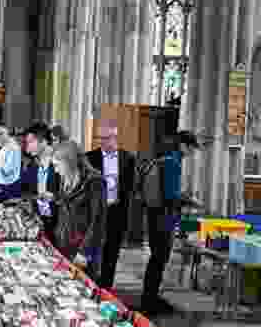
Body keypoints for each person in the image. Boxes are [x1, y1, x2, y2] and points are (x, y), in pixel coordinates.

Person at [138, 129, 201, 316]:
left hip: (155, 215)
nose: (192, 152)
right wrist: (189, 200)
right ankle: (149, 302)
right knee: (159, 258)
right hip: (163, 218)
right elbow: (170, 196)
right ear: (183, 145)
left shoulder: (165, 160)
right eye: (191, 148)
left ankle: (149, 298)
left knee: (156, 258)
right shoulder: (173, 163)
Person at [86, 122, 136, 289]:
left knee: (112, 251)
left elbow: (131, 188)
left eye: (106, 138)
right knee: (93, 248)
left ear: (115, 137)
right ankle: (90, 284)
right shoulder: (89, 158)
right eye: (100, 139)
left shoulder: (128, 158)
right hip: (95, 212)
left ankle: (106, 287)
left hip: (117, 212)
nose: (102, 142)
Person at [51, 139, 107, 280]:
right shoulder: (67, 178)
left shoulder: (95, 181)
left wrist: (84, 252)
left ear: (68, 162)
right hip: (64, 244)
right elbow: (68, 205)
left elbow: (98, 221)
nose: (56, 170)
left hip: (82, 249)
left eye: (57, 165)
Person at [21, 122, 60, 241]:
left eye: (30, 142)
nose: (27, 148)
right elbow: (24, 189)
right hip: (41, 224)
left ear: (43, 141)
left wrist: (55, 198)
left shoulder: (62, 164)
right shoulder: (33, 166)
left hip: (61, 228)